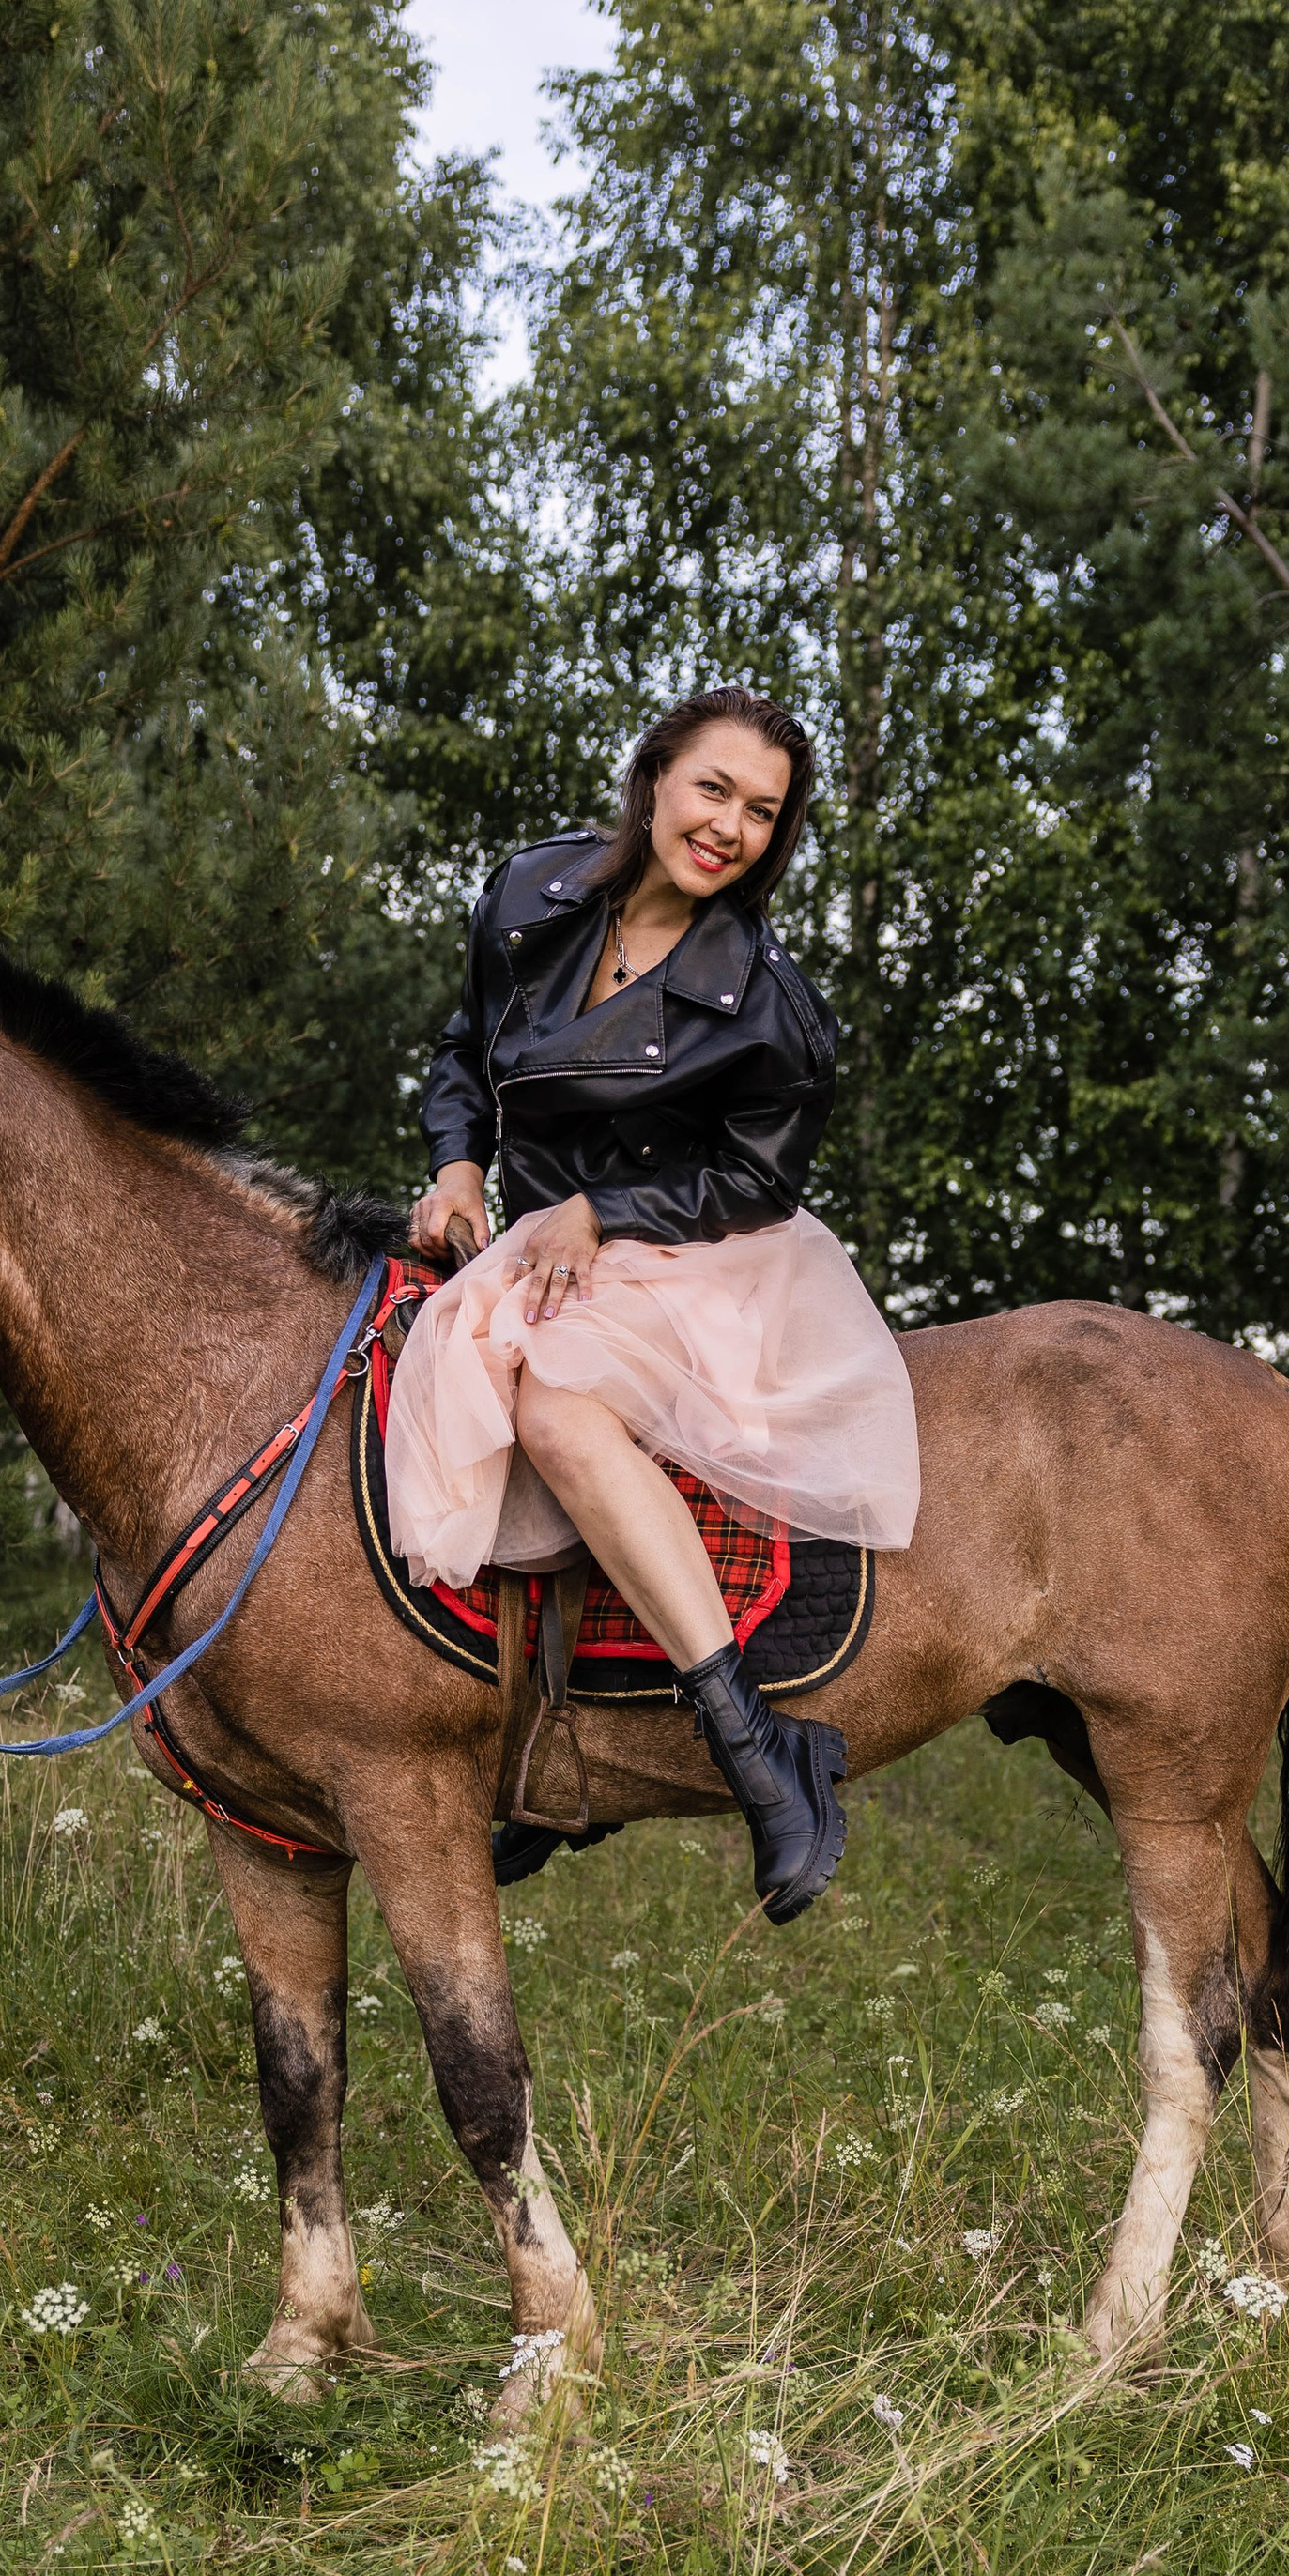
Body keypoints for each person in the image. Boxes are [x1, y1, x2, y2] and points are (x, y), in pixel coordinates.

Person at [389, 683, 920, 1923]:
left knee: (559, 1414)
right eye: (715, 788)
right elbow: (466, 1048)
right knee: (426, 1391)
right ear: (657, 778)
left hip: (698, 1253)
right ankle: (533, 1757)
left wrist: (605, 1214)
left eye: (764, 814)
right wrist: (458, 1161)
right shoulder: (533, 894)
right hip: (545, 1238)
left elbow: (756, 1178)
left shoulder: (770, 1003)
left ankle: (758, 1747)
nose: (731, 826)